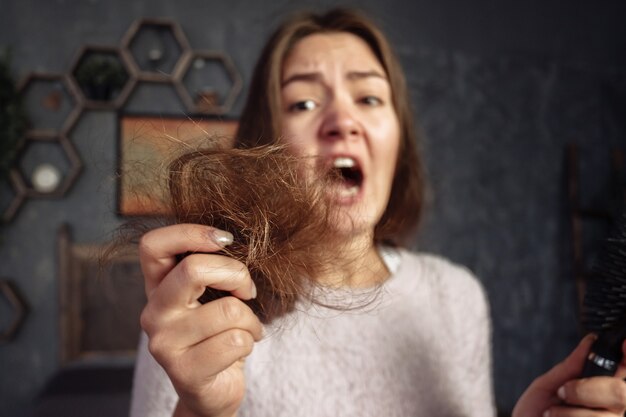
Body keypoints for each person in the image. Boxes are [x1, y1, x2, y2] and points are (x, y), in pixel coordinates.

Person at [130, 8, 626, 417]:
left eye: (368, 97)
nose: (342, 121)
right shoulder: (202, 305)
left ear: (399, 142)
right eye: (303, 103)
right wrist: (199, 411)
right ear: (266, 143)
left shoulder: (457, 295)